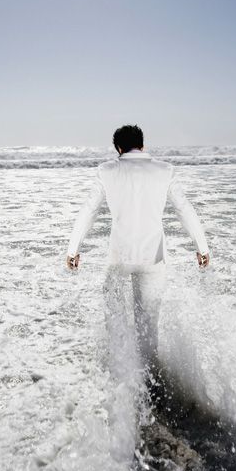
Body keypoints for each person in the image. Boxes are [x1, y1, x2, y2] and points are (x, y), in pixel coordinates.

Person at [65, 124, 210, 373]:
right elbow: (184, 209)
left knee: (115, 319)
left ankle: (121, 374)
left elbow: (89, 210)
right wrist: (202, 247)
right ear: (142, 145)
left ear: (118, 149)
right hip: (153, 259)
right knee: (148, 324)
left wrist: (73, 249)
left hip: (118, 258)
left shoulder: (107, 170)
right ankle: (150, 377)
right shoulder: (165, 170)